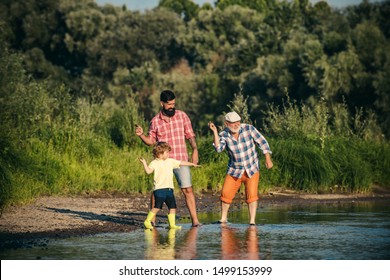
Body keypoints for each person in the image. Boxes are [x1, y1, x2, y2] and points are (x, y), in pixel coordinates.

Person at [135, 91, 201, 227]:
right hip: (162, 162)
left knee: (187, 189)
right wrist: (141, 135)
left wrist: (195, 150)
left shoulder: (182, 116)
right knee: (157, 190)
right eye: (169, 104)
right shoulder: (155, 121)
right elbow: (151, 141)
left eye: (173, 104)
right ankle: (151, 220)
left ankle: (195, 221)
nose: (172, 106)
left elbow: (190, 135)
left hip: (180, 159)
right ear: (162, 103)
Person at [208, 111, 273, 225]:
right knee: (225, 193)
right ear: (227, 124)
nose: (236, 125)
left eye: (238, 122)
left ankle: (252, 221)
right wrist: (215, 132)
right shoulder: (223, 135)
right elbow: (218, 149)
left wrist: (267, 158)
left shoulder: (249, 129)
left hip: (251, 168)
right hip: (234, 170)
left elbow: (262, 142)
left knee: (252, 196)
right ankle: (223, 219)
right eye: (233, 123)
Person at [139, 142, 200, 230]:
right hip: (159, 190)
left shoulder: (170, 161)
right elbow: (148, 171)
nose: (169, 154)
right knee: (157, 207)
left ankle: (172, 225)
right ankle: (147, 221)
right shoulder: (154, 163)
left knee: (173, 206)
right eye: (167, 152)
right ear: (160, 154)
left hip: (169, 189)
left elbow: (181, 162)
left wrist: (192, 164)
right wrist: (144, 163)